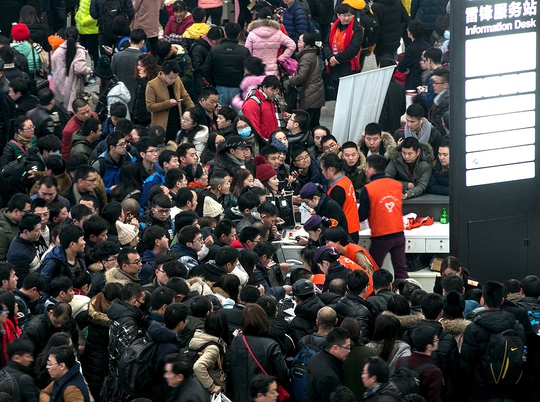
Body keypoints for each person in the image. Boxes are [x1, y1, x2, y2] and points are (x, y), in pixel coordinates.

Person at [460, 281, 527, 402]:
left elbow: (467, 362)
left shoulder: (473, 328)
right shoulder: (517, 326)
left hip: (481, 391)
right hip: (510, 387)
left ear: (483, 300)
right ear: (502, 300)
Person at [225, 304, 289, 402]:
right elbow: (282, 373)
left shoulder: (236, 341)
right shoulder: (271, 345)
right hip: (263, 395)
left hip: (239, 395)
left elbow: (228, 368)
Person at [146, 60, 195, 143]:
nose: (173, 80)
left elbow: (185, 96)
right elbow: (150, 106)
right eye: (171, 78)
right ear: (163, 73)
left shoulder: (177, 80)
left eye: (175, 77)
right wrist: (168, 103)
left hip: (177, 120)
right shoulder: (152, 84)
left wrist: (193, 110)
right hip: (162, 124)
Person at [202, 23, 251, 107]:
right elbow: (250, 70)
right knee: (237, 117)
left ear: (224, 33)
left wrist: (213, 82)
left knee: (221, 116)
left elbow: (206, 69)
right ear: (238, 34)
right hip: (238, 87)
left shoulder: (214, 50)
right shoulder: (244, 51)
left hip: (219, 87)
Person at [323, 4, 364, 92]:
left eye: (349, 15)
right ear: (338, 15)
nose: (346, 18)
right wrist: (330, 57)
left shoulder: (357, 29)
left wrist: (336, 58)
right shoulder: (334, 26)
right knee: (336, 92)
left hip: (347, 66)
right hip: (334, 66)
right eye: (344, 15)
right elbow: (326, 44)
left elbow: (353, 49)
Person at [320, 153, 360, 243]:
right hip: (352, 227)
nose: (322, 172)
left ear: (330, 169)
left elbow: (334, 211)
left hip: (344, 231)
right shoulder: (346, 180)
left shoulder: (338, 188)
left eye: (323, 170)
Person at [51, 27, 92, 113]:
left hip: (60, 85)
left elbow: (53, 68)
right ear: (78, 37)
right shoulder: (80, 51)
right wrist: (89, 70)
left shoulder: (58, 51)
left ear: (65, 37)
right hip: (74, 86)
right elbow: (80, 69)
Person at [288, 33, 324, 128]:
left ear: (307, 45)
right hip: (316, 92)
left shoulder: (306, 57)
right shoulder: (313, 53)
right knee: (315, 123)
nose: (298, 43)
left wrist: (290, 81)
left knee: (306, 124)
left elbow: (301, 77)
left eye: (300, 41)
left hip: (310, 94)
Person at [245, 9, 296, 77]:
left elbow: (247, 52)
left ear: (259, 18)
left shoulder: (252, 34)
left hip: (256, 70)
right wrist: (281, 58)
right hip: (273, 72)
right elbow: (292, 45)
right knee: (272, 87)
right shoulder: (277, 32)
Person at [306, 327, 351, 402]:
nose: (349, 351)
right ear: (335, 348)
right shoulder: (328, 378)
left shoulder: (314, 358)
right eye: (347, 347)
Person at [111, 28, 147, 112]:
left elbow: (112, 74)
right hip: (136, 99)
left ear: (130, 40)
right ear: (143, 42)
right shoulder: (144, 59)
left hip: (119, 96)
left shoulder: (117, 56)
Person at [242, 75, 285, 140]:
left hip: (274, 139)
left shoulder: (272, 99)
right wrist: (262, 141)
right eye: (272, 90)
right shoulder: (252, 103)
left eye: (276, 90)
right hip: (264, 141)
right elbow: (253, 126)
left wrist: (284, 115)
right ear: (264, 87)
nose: (274, 93)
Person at [7, 213, 42, 286]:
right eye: (37, 230)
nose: (40, 233)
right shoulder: (19, 255)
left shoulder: (28, 239)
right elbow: (22, 284)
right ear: (26, 231)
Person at [397, 20, 430, 90]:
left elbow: (401, 67)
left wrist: (408, 69)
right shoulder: (428, 46)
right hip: (426, 79)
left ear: (409, 33)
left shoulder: (411, 49)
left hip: (413, 81)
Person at [0, 193, 32, 261]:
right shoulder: (2, 231)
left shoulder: (21, 222)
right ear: (16, 211)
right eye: (27, 212)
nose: (29, 215)